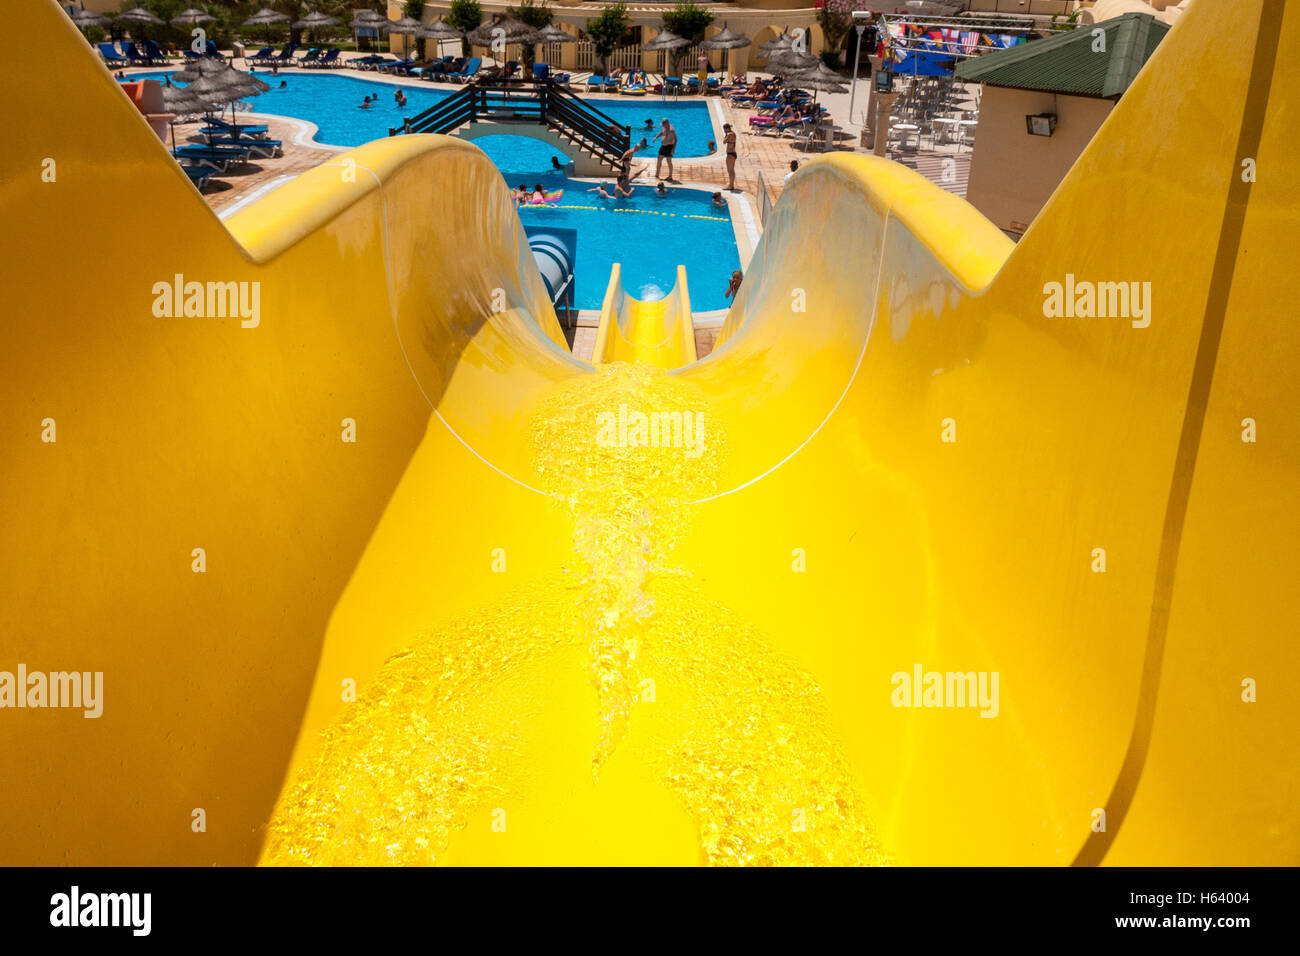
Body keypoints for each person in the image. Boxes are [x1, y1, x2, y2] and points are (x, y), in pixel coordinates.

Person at [653, 118, 677, 182]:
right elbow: (661, 132)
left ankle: (670, 176)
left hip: (669, 147)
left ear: (667, 123)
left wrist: (673, 150)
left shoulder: (671, 130)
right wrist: (656, 137)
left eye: (663, 124)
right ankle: (657, 174)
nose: (662, 126)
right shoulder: (664, 127)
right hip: (663, 146)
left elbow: (676, 140)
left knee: (668, 161)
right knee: (659, 159)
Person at [722, 123, 738, 192]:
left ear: (727, 128)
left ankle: (731, 186)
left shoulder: (729, 134)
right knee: (730, 170)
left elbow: (724, 142)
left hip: (731, 155)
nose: (724, 131)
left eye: (724, 130)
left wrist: (726, 135)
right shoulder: (733, 133)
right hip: (731, 154)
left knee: (730, 170)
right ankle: (731, 185)